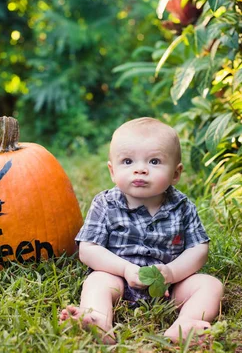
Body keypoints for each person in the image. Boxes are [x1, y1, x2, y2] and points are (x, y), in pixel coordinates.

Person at [59, 117, 223, 343]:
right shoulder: (105, 204)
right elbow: (88, 250)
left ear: (176, 173)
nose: (140, 170)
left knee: (210, 285)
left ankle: (185, 323)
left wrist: (172, 272)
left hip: (170, 287)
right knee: (96, 281)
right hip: (117, 280)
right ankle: (98, 320)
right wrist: (126, 269)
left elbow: (199, 249)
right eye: (127, 161)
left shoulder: (183, 206)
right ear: (112, 171)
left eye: (154, 161)